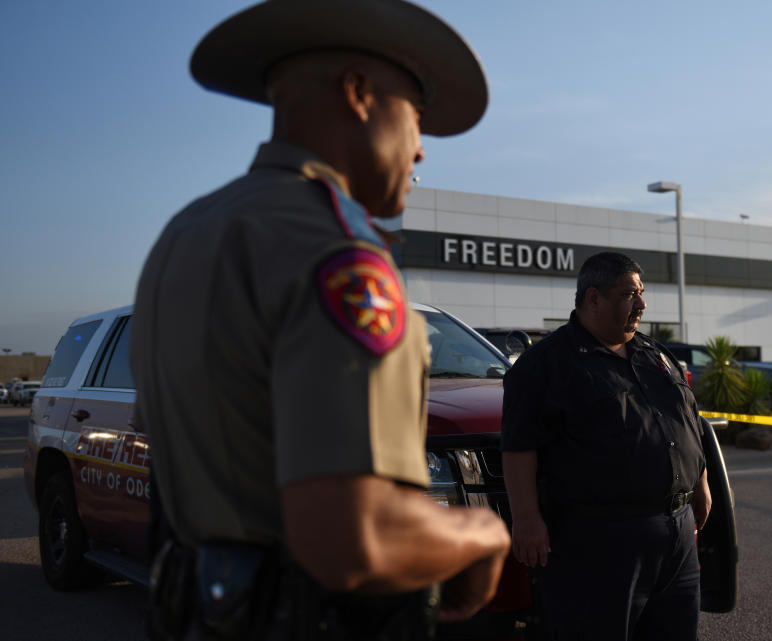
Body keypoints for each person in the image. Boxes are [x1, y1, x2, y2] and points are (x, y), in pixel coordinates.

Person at [130, 1, 510, 638]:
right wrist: (480, 533)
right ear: (359, 92)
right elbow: (351, 537)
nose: (420, 151)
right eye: (417, 118)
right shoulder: (339, 254)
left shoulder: (186, 233)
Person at [500, 252, 712, 641]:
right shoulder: (545, 366)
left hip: (675, 534)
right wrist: (526, 520)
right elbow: (519, 447)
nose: (642, 304)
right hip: (598, 540)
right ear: (594, 298)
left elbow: (686, 420)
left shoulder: (656, 355)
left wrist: (700, 485)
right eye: (631, 294)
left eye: (642, 293)